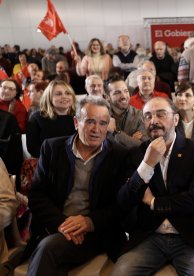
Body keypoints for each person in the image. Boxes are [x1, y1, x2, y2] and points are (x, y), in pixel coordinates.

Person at [111, 97, 194, 275]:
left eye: (161, 115)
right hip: (149, 235)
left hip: (190, 235)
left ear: (176, 119)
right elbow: (123, 201)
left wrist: (154, 202)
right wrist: (146, 165)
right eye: (147, 116)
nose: (153, 121)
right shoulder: (136, 154)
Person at [26, 96, 130, 275]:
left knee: (48, 249)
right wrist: (63, 224)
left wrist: (89, 222)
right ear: (76, 122)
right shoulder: (52, 148)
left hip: (96, 231)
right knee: (50, 249)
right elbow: (37, 195)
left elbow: (121, 205)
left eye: (103, 123)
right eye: (90, 121)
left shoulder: (120, 156)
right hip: (57, 225)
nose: (96, 129)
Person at [26, 80, 77, 159]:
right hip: (47, 162)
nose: (64, 96)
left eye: (68, 93)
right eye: (58, 94)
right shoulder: (36, 118)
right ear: (49, 97)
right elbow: (33, 148)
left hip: (75, 161)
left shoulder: (79, 117)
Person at [105, 74, 147, 149]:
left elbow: (142, 146)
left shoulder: (141, 115)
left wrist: (115, 132)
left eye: (126, 91)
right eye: (117, 93)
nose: (124, 96)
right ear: (107, 97)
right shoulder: (102, 116)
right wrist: (130, 139)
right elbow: (101, 146)